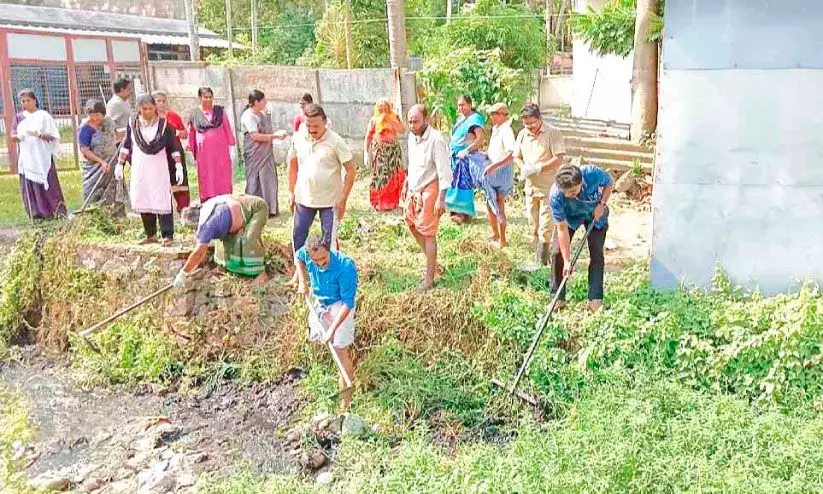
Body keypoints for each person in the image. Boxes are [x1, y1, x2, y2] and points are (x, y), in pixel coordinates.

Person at [295, 235, 358, 409]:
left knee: (340, 349)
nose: (321, 263)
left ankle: (346, 403)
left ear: (329, 249)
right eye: (316, 261)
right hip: (321, 301)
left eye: (324, 258)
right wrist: (302, 282)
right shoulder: (306, 254)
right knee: (318, 337)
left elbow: (348, 302)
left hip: (340, 304)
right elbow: (298, 257)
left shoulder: (345, 266)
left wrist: (332, 330)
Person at [288, 103, 356, 259]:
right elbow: (292, 164)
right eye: (308, 125)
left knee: (328, 241)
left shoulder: (336, 141)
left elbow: (351, 169)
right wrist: (291, 191)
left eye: (316, 126)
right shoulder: (298, 138)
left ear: (325, 122)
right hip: (304, 199)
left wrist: (343, 197)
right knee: (298, 236)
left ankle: (330, 275)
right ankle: (300, 274)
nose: (312, 129)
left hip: (330, 201)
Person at [116, 93, 184, 247]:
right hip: (141, 167)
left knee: (161, 198)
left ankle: (167, 234)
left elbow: (173, 148)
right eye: (144, 109)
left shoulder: (164, 125)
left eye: (150, 108)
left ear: (155, 108)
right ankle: (150, 234)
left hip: (158, 167)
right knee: (144, 196)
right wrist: (120, 164)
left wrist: (178, 166)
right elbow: (126, 145)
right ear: (139, 109)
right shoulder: (133, 123)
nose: (147, 112)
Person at [550, 164, 613, 312]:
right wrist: (567, 260)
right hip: (570, 218)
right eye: (566, 193)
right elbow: (561, 228)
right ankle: (557, 299)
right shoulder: (555, 196)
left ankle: (595, 300)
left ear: (581, 182)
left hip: (595, 214)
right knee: (557, 253)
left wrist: (602, 204)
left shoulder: (593, 173)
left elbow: (609, 183)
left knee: (597, 254)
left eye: (573, 191)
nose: (568, 195)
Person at [403, 104, 452, 291]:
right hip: (415, 187)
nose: (412, 125)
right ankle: (434, 265)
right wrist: (408, 181)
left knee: (428, 233)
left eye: (416, 121)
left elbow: (444, 171)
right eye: (410, 122)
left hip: (431, 187)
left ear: (426, 120)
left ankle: (429, 279)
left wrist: (442, 198)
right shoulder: (411, 137)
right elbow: (413, 162)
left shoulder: (436, 140)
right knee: (411, 225)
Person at [512, 103, 566, 266]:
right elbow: (516, 156)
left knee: (545, 226)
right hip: (530, 188)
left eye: (532, 123)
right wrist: (523, 167)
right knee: (533, 224)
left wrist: (539, 168)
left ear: (539, 119)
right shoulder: (523, 134)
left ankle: (541, 262)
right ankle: (540, 255)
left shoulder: (552, 133)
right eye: (526, 124)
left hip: (548, 188)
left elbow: (558, 158)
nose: (529, 127)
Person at [176, 194, 270, 284]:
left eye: (192, 228)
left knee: (248, 240)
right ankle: (230, 269)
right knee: (222, 245)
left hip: (256, 208)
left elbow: (199, 252)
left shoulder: (208, 224)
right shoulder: (206, 213)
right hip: (234, 216)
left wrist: (183, 273)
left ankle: (261, 273)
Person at [10, 89, 67, 220]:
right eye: (23, 101)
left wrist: (39, 135)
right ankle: (36, 213)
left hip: (42, 156)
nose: (26, 103)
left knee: (49, 183)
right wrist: (19, 137)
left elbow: (53, 136)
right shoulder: (19, 118)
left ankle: (55, 211)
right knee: (30, 185)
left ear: (35, 100)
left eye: (28, 100)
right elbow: (12, 135)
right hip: (27, 157)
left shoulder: (43, 116)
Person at [240, 90, 288, 217]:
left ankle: (270, 208)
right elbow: (255, 136)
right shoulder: (248, 116)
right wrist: (275, 136)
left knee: (269, 179)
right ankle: (253, 209)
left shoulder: (262, 113)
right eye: (263, 101)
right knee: (254, 181)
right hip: (255, 154)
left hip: (266, 153)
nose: (266, 103)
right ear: (256, 102)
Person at [77, 99, 126, 215]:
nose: (95, 119)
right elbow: (85, 150)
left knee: (114, 190)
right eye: (92, 116)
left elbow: (116, 136)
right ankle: (93, 216)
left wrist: (126, 135)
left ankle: (115, 215)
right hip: (94, 166)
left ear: (103, 113)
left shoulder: (109, 123)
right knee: (92, 192)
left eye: (98, 115)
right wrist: (101, 162)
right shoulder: (85, 128)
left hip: (111, 162)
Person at [187, 87, 236, 202]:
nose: (208, 100)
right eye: (205, 97)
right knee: (206, 177)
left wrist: (232, 147)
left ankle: (225, 200)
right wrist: (189, 150)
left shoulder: (220, 112)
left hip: (221, 154)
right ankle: (207, 202)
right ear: (200, 98)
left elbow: (227, 129)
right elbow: (191, 133)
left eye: (210, 97)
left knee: (222, 177)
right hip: (204, 155)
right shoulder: (195, 114)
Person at [481, 102, 516, 249]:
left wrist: (493, 166)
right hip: (494, 168)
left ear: (502, 115)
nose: (491, 117)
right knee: (490, 204)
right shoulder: (497, 129)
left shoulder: (506, 130)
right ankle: (496, 235)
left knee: (498, 204)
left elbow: (511, 154)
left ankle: (502, 239)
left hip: (501, 171)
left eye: (494, 114)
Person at [446, 95, 485, 224]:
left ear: (469, 104)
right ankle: (454, 210)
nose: (460, 108)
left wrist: (467, 150)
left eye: (463, 105)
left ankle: (463, 213)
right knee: (453, 183)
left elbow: (480, 139)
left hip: (465, 158)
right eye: (458, 105)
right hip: (455, 157)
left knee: (463, 184)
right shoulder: (460, 119)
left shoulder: (475, 119)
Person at [364, 98, 406, 211]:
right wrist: (365, 153)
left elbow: (402, 130)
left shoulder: (394, 117)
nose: (383, 110)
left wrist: (389, 119)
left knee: (394, 175)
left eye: (385, 107)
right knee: (381, 174)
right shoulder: (374, 119)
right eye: (380, 108)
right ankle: (378, 202)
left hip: (393, 150)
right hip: (379, 149)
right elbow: (368, 136)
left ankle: (392, 203)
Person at [153, 91, 190, 212]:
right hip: (160, 154)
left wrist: (176, 132)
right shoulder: (151, 118)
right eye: (158, 101)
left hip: (176, 153)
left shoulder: (173, 116)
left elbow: (185, 134)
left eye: (163, 101)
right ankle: (165, 211)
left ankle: (183, 210)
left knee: (180, 182)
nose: (161, 104)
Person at [106, 76, 132, 142]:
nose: (131, 91)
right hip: (119, 142)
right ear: (122, 90)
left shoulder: (123, 101)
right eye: (129, 89)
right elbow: (109, 124)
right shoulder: (115, 103)